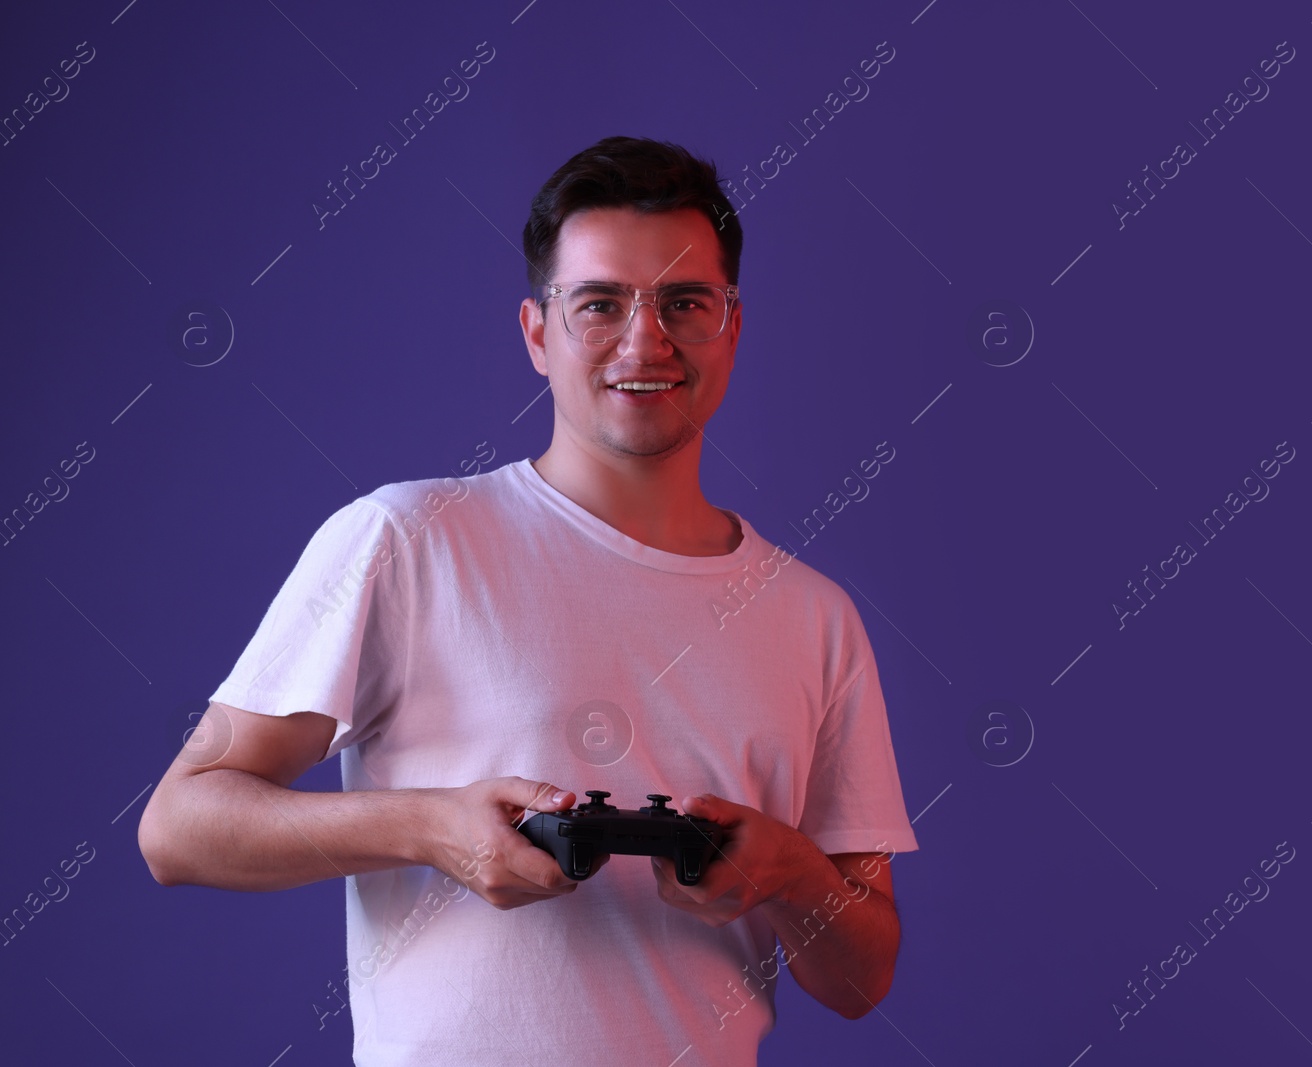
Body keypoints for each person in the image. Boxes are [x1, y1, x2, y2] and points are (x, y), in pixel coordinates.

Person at [138, 135, 919, 1065]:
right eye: (600, 304)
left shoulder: (815, 618)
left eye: (684, 303)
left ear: (733, 326)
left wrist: (790, 873)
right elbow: (179, 827)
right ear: (536, 332)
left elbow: (861, 978)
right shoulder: (405, 540)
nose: (645, 340)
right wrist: (430, 827)